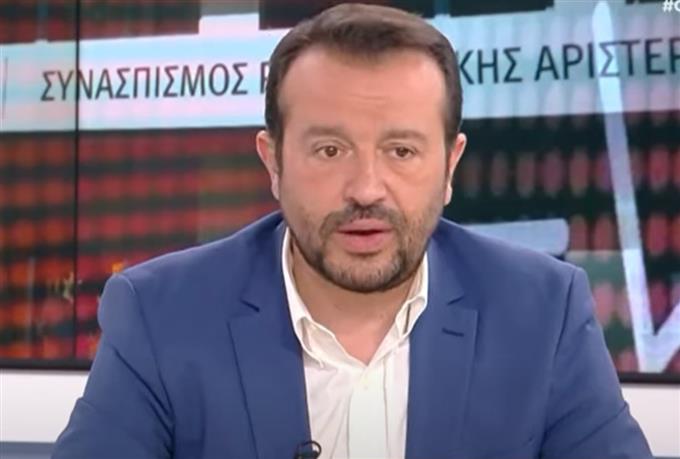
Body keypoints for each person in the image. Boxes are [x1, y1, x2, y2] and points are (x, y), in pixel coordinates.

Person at [53, 3, 652, 459]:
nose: (366, 188)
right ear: (273, 162)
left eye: (401, 150)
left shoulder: (543, 312)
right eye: (330, 150)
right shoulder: (162, 316)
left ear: (450, 166)